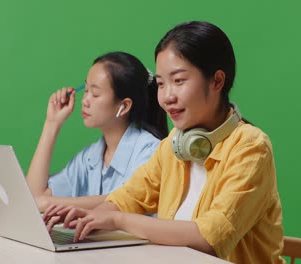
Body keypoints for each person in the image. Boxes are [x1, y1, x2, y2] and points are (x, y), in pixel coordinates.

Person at [43, 21, 285, 263]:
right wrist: (88, 218)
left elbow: (209, 239)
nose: (167, 96)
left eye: (179, 81)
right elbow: (126, 198)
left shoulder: (251, 147)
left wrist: (117, 220)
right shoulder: (173, 146)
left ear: (217, 81)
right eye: (161, 84)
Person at [27, 52, 168, 212]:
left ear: (124, 106)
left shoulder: (150, 152)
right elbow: (34, 196)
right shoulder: (90, 157)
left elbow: (126, 200)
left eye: (95, 94)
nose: (85, 100)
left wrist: (52, 203)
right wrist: (51, 124)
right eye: (86, 90)